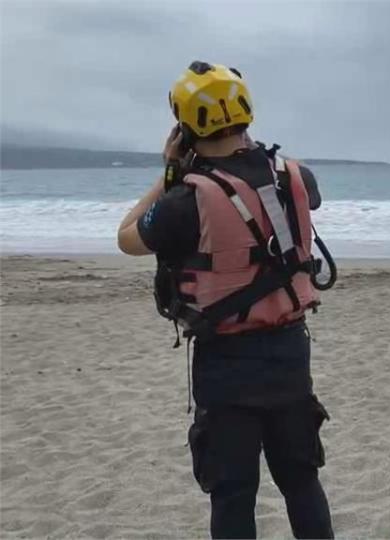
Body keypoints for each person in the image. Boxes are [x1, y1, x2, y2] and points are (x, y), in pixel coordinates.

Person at [116, 61, 335, 539]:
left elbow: (127, 237)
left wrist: (170, 169)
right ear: (246, 111)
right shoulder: (295, 175)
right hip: (289, 351)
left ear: (185, 126)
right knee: (301, 479)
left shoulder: (184, 200)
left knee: (233, 492)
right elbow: (291, 197)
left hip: (226, 361)